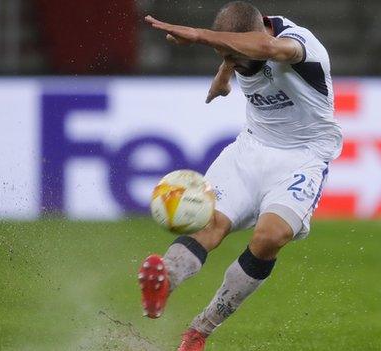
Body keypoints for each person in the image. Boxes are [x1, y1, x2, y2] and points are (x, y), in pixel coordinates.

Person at [139, 2, 343, 350]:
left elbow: (265, 50)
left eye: (235, 54)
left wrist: (199, 35)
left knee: (270, 237)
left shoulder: (299, 44)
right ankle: (164, 279)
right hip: (250, 149)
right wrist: (222, 77)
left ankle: (200, 329)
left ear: (263, 28)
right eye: (228, 55)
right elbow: (240, 52)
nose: (234, 61)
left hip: (303, 157)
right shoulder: (242, 47)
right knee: (208, 222)